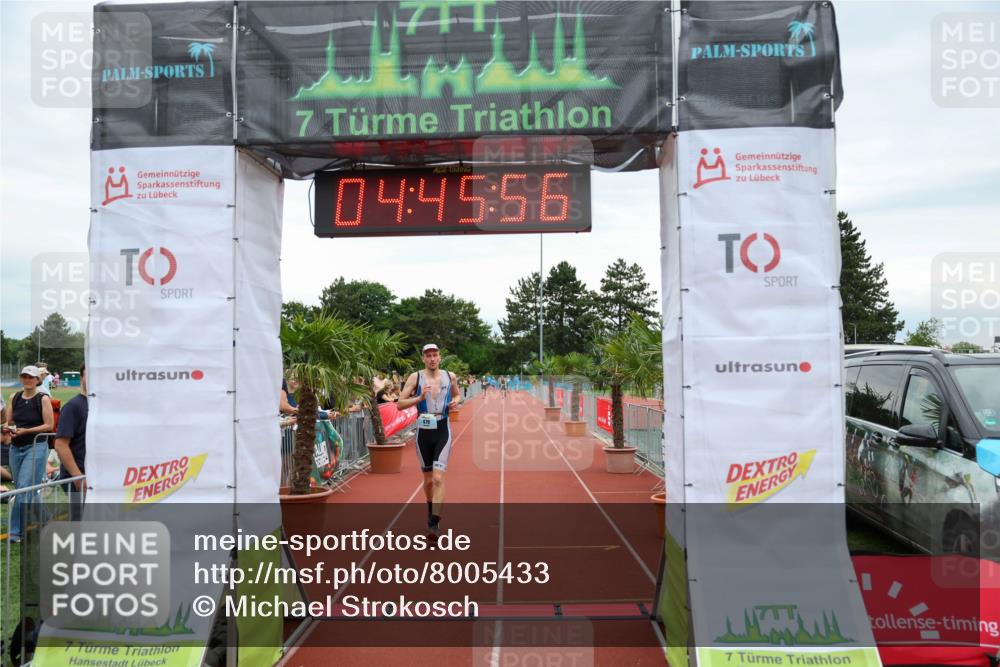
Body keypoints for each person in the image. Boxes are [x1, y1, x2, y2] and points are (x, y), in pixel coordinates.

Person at [397, 343, 462, 536]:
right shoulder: (415, 377)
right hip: (424, 432)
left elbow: (457, 395)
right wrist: (418, 398)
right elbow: (400, 404)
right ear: (423, 359)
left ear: (439, 357)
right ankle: (430, 508)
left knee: (438, 477)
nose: (432, 359)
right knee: (428, 482)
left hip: (442, 428)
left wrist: (455, 401)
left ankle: (434, 522)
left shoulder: (450, 376)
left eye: (435, 355)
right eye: (428, 356)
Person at [3, 366, 55, 542]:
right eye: (24, 376)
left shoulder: (43, 398)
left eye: (30, 377)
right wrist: (7, 428)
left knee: (23, 488)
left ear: (37, 379)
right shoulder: (14, 397)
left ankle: (16, 531)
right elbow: (9, 422)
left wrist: (26, 431)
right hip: (16, 447)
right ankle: (47, 519)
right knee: (27, 490)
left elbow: (49, 425)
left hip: (36, 446)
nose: (27, 379)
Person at [53, 364, 87, 519]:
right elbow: (60, 444)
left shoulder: (101, 407)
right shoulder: (73, 407)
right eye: (89, 374)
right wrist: (78, 476)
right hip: (78, 476)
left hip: (96, 475)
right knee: (81, 521)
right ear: (81, 378)